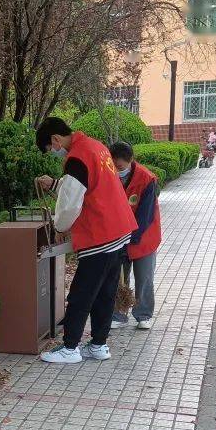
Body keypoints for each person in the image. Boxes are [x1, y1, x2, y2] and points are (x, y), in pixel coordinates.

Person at [34, 117, 137, 364]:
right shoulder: (96, 146)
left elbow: (70, 204)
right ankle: (99, 345)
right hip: (119, 230)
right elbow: (90, 186)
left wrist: (59, 226)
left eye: (50, 149)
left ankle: (70, 348)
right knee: (105, 292)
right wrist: (57, 184)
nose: (54, 153)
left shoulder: (77, 156)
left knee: (82, 293)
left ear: (55, 139)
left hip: (100, 234)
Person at [108, 142, 160, 331]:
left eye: (120, 167)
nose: (116, 170)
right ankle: (118, 313)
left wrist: (129, 239)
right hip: (117, 235)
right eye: (113, 165)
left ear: (130, 161)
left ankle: (143, 314)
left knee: (144, 276)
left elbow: (145, 216)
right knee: (118, 277)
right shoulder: (109, 175)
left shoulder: (147, 179)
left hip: (144, 237)